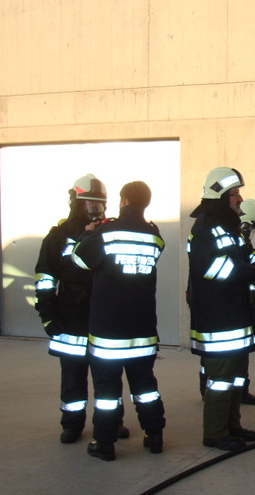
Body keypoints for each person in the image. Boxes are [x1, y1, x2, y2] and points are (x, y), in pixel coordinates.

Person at [71, 181, 166, 461]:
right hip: (142, 329)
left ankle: (104, 443)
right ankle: (155, 435)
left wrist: (89, 233)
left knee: (107, 392)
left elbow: (80, 260)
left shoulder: (105, 232)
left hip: (109, 332)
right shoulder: (154, 235)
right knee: (145, 387)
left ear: (123, 200)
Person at [34, 174, 129, 444]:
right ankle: (72, 424)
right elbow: (45, 277)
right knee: (73, 377)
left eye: (99, 205)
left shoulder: (110, 233)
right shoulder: (58, 236)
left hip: (104, 316)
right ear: (76, 204)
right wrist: (48, 315)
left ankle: (112, 422)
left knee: (108, 376)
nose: (95, 211)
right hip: (71, 318)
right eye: (90, 205)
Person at [187, 168, 255, 451]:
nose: (240, 199)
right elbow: (214, 268)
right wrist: (251, 272)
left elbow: (244, 253)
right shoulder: (204, 228)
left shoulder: (227, 225)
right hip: (218, 318)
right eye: (234, 194)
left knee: (235, 377)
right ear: (219, 197)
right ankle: (215, 432)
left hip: (235, 315)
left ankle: (232, 426)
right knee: (221, 379)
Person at [196, 199, 255, 404]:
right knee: (214, 352)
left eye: (251, 229)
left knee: (240, 349)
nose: (248, 232)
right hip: (217, 304)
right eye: (247, 227)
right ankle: (207, 386)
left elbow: (251, 258)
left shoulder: (240, 240)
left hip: (238, 306)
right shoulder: (211, 232)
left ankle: (240, 391)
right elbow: (218, 268)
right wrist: (252, 272)